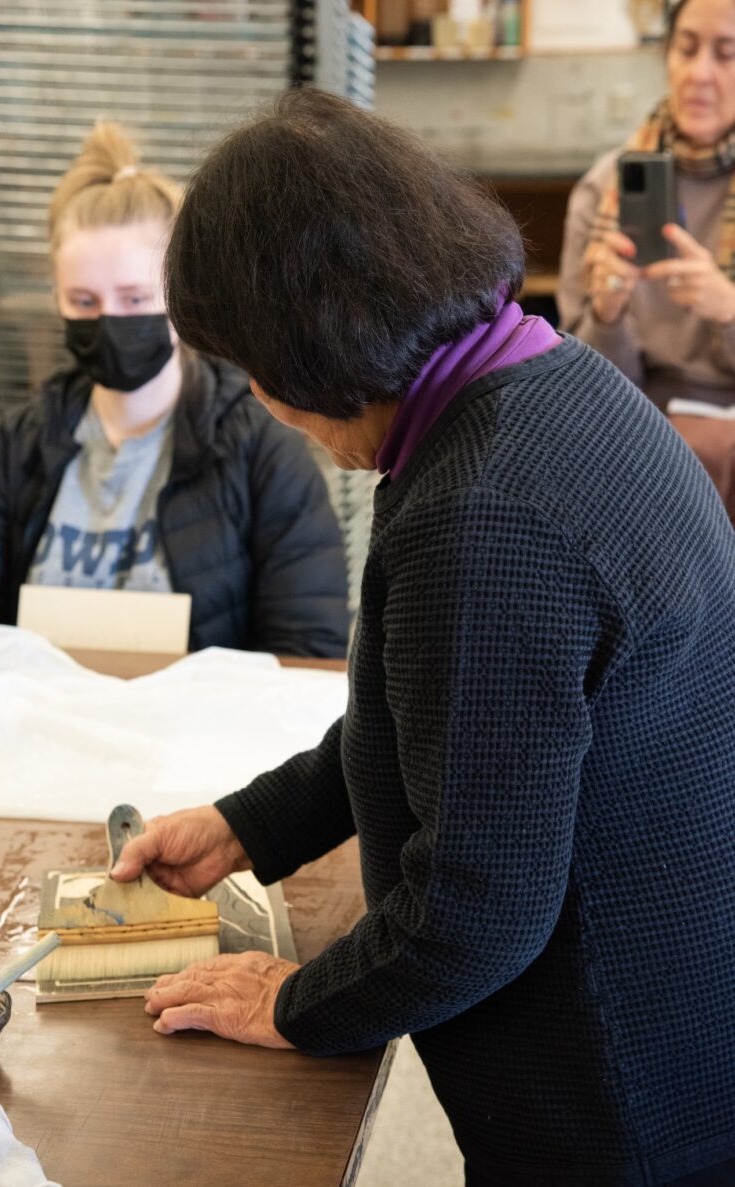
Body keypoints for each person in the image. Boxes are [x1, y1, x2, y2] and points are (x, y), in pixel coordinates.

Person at [111, 90, 735, 1186]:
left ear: (311, 350)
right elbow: (461, 720)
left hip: (619, 1104)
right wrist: (250, 824)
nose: (263, 399)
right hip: (681, 1019)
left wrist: (296, 1001)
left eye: (257, 367)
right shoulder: (548, 376)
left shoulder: (483, 514)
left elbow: (477, 912)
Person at [0, 122, 348, 658]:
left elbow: (307, 650)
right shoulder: (13, 450)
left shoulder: (260, 449)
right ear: (57, 298)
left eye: (135, 299)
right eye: (84, 302)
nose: (109, 319)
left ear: (179, 296)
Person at [558, 0, 735, 524]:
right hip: (636, 422)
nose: (699, 73)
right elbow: (582, 385)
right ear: (666, 56)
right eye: (686, 49)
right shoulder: (603, 189)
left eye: (726, 54)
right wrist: (608, 313)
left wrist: (728, 310)